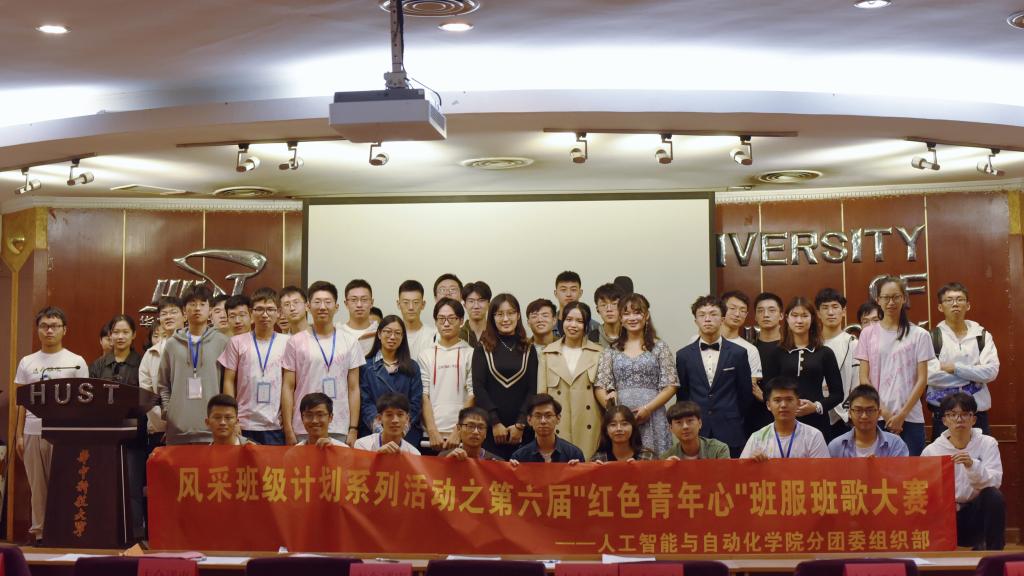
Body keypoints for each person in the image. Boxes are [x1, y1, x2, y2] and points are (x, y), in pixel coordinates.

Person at [15, 306, 89, 545]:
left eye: (55, 326)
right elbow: (21, 403)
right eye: (44, 326)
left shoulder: (76, 362)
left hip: (65, 434)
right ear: (38, 330)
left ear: (64, 330)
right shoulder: (27, 362)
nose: (49, 330)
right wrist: (19, 436)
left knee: (65, 484)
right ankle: (40, 534)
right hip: (32, 431)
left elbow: (84, 404)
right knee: (37, 487)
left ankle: (63, 531)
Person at [855, 275, 935, 456]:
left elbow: (922, 379)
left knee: (911, 469)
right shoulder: (868, 334)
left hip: (911, 416)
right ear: (878, 300)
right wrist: (883, 410)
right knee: (879, 470)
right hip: (877, 415)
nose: (891, 302)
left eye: (896, 297)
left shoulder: (919, 334)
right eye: (886, 297)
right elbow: (864, 377)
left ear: (904, 298)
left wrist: (902, 414)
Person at [595, 293, 679, 456]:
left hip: (653, 415)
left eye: (637, 312)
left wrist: (648, 409)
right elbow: (600, 386)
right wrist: (614, 410)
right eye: (626, 314)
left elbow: (671, 385)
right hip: (620, 420)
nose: (632, 318)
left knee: (655, 463)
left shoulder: (659, 347)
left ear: (646, 315)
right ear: (621, 318)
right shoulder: (611, 350)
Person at [282, 281, 364, 445]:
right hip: (304, 425)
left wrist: (353, 428)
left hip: (339, 425)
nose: (322, 307)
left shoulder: (350, 342)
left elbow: (354, 388)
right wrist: (288, 429)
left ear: (337, 307)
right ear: (308, 306)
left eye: (328, 302)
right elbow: (288, 387)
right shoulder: (295, 342)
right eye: (317, 302)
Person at [921, 392, 1004, 550]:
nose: (959, 419)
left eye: (965, 414)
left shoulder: (988, 443)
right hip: (945, 515)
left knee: (994, 496)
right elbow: (923, 489)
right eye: (953, 414)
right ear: (944, 420)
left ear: (973, 419)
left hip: (974, 513)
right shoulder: (931, 451)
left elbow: (995, 481)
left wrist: (972, 465)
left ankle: (994, 554)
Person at [88, 314, 145, 542]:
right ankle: (104, 534)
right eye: (116, 332)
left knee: (133, 489)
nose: (120, 337)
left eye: (125, 332)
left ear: (134, 335)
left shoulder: (141, 363)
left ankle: (134, 537)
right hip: (104, 438)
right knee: (103, 487)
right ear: (110, 335)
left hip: (134, 436)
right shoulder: (98, 365)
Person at [675, 295, 752, 457]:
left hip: (730, 428)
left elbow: (745, 394)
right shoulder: (683, 355)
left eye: (713, 314)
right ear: (695, 320)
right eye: (702, 315)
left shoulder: (738, 353)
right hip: (696, 430)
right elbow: (683, 395)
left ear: (722, 319)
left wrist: (735, 418)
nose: (707, 319)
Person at [761, 297, 844, 439]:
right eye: (794, 315)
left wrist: (816, 407)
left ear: (812, 319)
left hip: (817, 422)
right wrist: (785, 406)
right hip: (783, 421)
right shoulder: (776, 353)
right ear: (786, 318)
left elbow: (838, 394)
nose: (799, 320)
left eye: (805, 315)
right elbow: (767, 392)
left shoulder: (825, 353)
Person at [158, 284, 230, 445]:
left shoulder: (222, 342)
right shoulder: (172, 344)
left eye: (202, 304)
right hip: (178, 429)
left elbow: (228, 384)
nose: (197, 308)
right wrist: (169, 412)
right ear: (184, 310)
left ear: (210, 310)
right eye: (192, 303)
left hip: (213, 429)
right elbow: (163, 384)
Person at [926, 282, 999, 438]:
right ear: (940, 307)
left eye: (960, 299)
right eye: (949, 300)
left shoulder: (982, 336)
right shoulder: (931, 338)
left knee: (981, 454)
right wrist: (974, 374)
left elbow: (991, 372)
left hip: (977, 415)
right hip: (943, 416)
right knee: (944, 455)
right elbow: (930, 376)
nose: (955, 304)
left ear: (968, 305)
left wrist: (955, 368)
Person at [472, 293, 538, 460]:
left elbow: (532, 389)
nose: (506, 319)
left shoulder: (528, 348)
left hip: (522, 431)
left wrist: (521, 424)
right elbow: (479, 388)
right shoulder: (482, 348)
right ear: (492, 317)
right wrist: (495, 422)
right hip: (491, 430)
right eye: (500, 314)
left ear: (518, 315)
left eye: (510, 313)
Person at [219, 287, 288, 445]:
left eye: (270, 309)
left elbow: (289, 385)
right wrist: (233, 419)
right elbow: (229, 381)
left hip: (275, 424)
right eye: (259, 309)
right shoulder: (236, 342)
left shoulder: (287, 342)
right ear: (251, 312)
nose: (265, 314)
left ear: (278, 312)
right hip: (243, 424)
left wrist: (288, 421)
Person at [539, 301, 603, 459]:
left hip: (589, 426)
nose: (573, 325)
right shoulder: (547, 353)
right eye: (569, 319)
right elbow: (541, 397)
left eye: (579, 321)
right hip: (557, 426)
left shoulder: (599, 353)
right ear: (562, 322)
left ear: (586, 325)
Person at [420, 298, 474, 453]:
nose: (446, 323)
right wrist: (432, 431)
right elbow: (424, 395)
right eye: (441, 319)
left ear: (461, 321)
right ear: (436, 322)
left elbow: (473, 394)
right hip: (431, 436)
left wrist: (458, 430)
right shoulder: (425, 355)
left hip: (462, 435)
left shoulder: (470, 353)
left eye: (451, 318)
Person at [359, 315, 423, 445]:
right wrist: (382, 433)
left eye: (398, 333)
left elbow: (416, 403)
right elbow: (365, 403)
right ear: (379, 334)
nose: (392, 337)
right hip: (373, 435)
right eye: (388, 332)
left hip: (407, 436)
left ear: (403, 337)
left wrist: (401, 431)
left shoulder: (412, 367)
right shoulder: (366, 366)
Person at [741, 377, 830, 460]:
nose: (783, 405)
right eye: (777, 400)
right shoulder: (757, 438)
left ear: (798, 403)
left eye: (789, 399)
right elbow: (741, 469)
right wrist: (752, 463)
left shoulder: (814, 436)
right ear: (768, 405)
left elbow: (823, 471)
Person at [816, 288, 860, 439]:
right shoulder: (811, 344)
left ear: (844, 311)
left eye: (835, 307)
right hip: (814, 413)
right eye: (825, 308)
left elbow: (857, 382)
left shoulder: (852, 343)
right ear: (818, 313)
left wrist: (852, 411)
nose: (830, 312)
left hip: (843, 417)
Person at [828, 385, 909, 458]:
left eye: (870, 410)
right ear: (849, 413)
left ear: (879, 413)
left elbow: (902, 470)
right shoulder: (836, 447)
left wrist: (879, 467)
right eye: (858, 410)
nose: (864, 416)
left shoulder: (896, 445)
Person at [510, 394, 584, 464]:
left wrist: (578, 469)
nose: (543, 421)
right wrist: (513, 469)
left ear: (558, 418)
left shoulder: (573, 454)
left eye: (548, 415)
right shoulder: (520, 457)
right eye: (538, 416)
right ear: (529, 420)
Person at [720, 291, 763, 402]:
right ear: (721, 309)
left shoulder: (751, 350)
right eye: (732, 308)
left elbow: (749, 386)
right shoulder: (699, 341)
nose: (737, 314)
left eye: (742, 310)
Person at [749, 292, 782, 434]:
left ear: (781, 315)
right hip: (752, 415)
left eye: (772, 310)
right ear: (755, 317)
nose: (766, 315)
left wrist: (766, 397)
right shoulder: (748, 349)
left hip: (782, 413)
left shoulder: (789, 348)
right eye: (760, 311)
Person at [354, 392, 422, 454]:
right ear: (379, 418)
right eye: (389, 415)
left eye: (400, 415)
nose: (395, 420)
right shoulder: (362, 445)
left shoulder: (414, 453)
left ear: (407, 419)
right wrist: (378, 456)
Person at [660, 401, 731, 460]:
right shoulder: (666, 457)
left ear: (700, 423)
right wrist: (666, 470)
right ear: (671, 428)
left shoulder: (719, 450)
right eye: (679, 422)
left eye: (690, 420)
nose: (685, 426)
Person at [590, 404, 656, 462]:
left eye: (624, 424)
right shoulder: (598, 459)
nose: (619, 428)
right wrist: (597, 470)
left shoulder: (647, 457)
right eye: (613, 424)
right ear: (606, 430)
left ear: (633, 428)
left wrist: (639, 469)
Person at [397, 279, 437, 361]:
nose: (411, 307)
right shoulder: (391, 336)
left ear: (423, 304)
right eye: (406, 302)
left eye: (415, 302)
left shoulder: (433, 335)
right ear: (398, 304)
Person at [552, 270, 599, 337]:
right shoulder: (548, 325)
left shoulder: (594, 327)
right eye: (563, 290)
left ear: (580, 293)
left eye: (573, 290)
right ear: (556, 293)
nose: (568, 294)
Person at [339, 279, 378, 355]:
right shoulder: (338, 334)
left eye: (364, 300)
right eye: (354, 300)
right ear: (346, 304)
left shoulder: (380, 333)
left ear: (372, 303)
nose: (359, 305)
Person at [588, 282, 623, 348]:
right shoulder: (592, 338)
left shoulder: (631, 335)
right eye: (603, 305)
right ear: (597, 309)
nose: (609, 309)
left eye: (614, 304)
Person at [459, 281, 491, 348]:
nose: (476, 306)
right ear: (465, 305)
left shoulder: (496, 334)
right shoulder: (457, 335)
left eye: (481, 300)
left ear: (489, 304)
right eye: (471, 301)